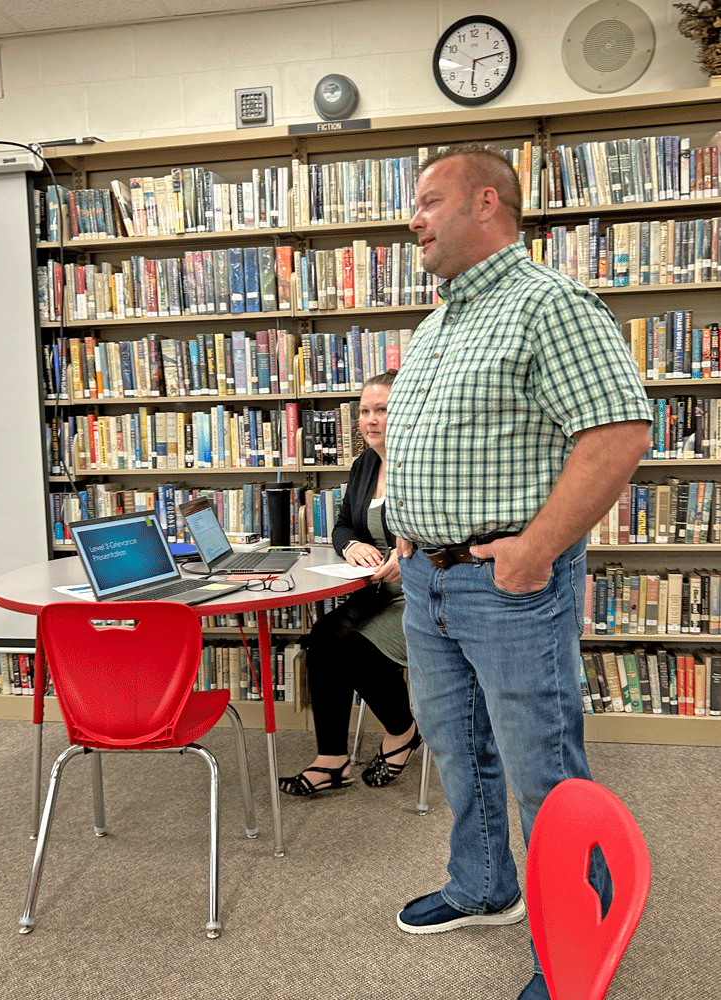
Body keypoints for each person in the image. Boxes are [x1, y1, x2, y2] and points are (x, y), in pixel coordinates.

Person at [384, 144, 652, 1000]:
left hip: (507, 584)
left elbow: (617, 432)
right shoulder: (437, 323)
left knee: (546, 772)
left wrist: (537, 547)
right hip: (428, 582)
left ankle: (579, 943)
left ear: (486, 202)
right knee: (460, 754)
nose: (412, 220)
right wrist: (403, 531)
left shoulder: (549, 303)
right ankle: (485, 886)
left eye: (427, 202)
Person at [279, 370, 421, 797]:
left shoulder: (419, 464)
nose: (371, 420)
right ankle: (332, 758)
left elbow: (446, 533)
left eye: (383, 410)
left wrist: (409, 554)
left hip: (423, 594)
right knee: (322, 638)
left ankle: (403, 730)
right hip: (377, 590)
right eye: (364, 411)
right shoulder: (364, 464)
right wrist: (353, 544)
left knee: (354, 646)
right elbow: (342, 525)